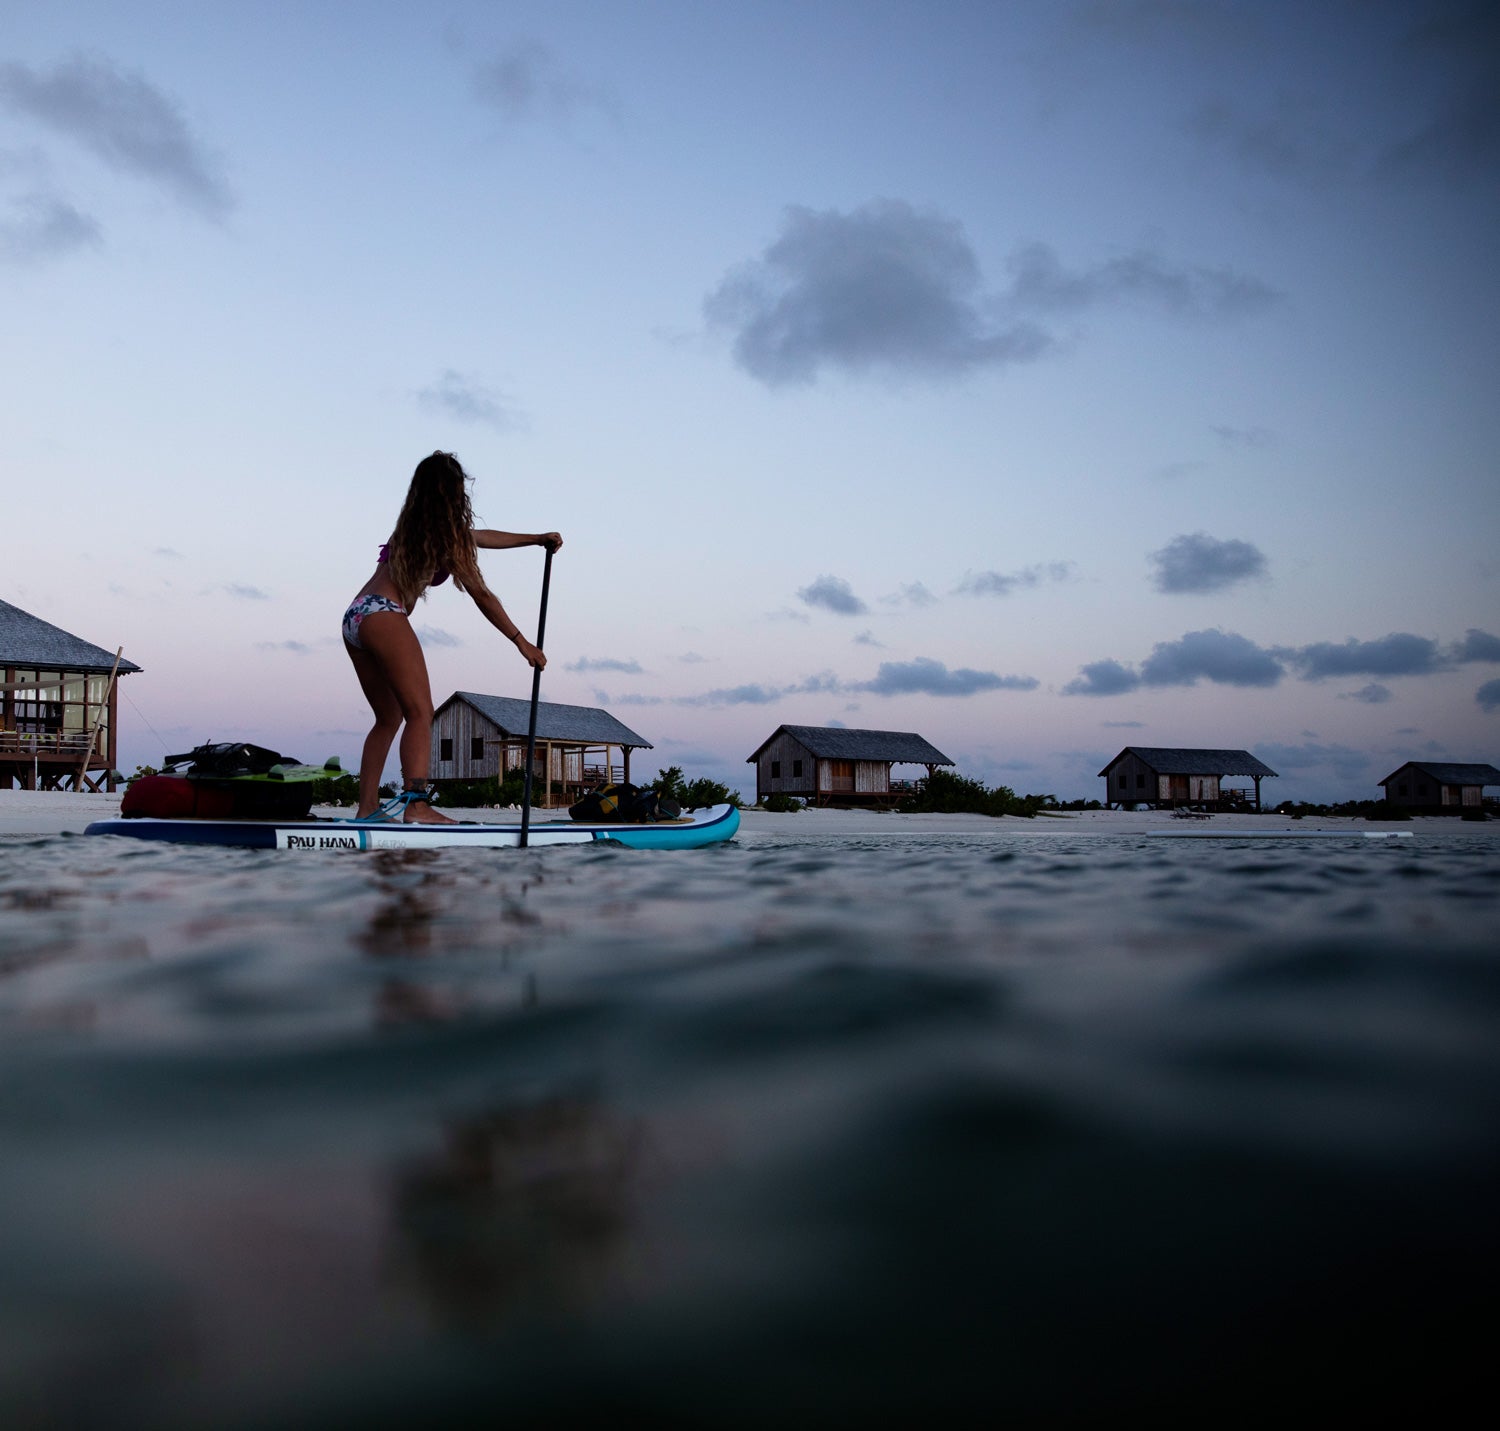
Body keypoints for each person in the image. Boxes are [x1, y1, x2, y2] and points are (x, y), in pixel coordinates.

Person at [342, 451, 562, 823]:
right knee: (421, 713)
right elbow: (482, 595)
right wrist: (521, 642)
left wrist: (535, 538)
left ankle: (367, 809)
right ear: (456, 494)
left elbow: (481, 537)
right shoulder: (445, 538)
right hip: (384, 615)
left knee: (387, 719)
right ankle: (417, 806)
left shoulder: (414, 529)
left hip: (357, 615)